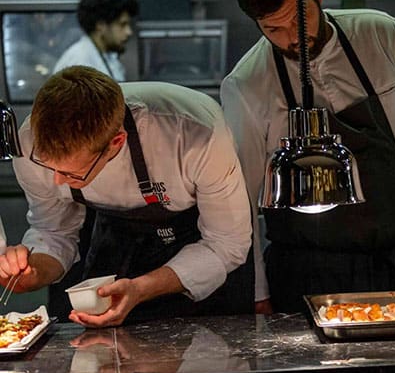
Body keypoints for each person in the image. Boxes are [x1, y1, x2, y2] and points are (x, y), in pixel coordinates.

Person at [221, 0, 395, 313]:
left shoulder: (380, 35)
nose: (292, 38)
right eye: (273, 29)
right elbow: (242, 203)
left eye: (299, 19)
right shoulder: (247, 84)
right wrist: (258, 293)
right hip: (304, 273)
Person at [0, 66, 253, 327]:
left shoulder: (195, 135)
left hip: (201, 256)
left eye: (71, 174)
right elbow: (54, 231)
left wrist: (140, 289)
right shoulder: (28, 143)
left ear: (116, 142)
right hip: (116, 245)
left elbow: (226, 244)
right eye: (48, 166)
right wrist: (33, 272)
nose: (57, 181)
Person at [53, 0, 139, 81]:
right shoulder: (80, 61)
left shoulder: (109, 57)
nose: (129, 32)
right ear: (100, 25)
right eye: (122, 24)